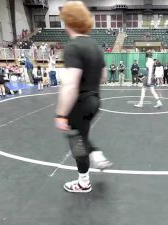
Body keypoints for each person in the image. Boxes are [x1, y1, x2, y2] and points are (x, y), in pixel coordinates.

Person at [56, 1, 112, 193]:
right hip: (95, 101)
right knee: (81, 135)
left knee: (76, 141)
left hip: (79, 102)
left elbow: (70, 84)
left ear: (68, 22)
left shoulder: (72, 47)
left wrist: (61, 114)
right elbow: (103, 76)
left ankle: (83, 182)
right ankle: (96, 155)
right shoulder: (95, 46)